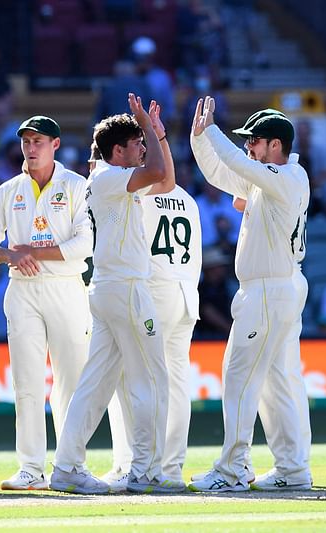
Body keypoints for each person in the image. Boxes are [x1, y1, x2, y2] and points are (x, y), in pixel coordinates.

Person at [49, 94, 186, 495]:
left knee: (95, 384)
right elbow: (157, 168)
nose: (143, 149)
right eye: (137, 143)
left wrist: (155, 133)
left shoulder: (112, 181)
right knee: (152, 379)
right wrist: (147, 125)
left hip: (111, 289)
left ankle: (67, 467)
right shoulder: (110, 177)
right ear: (117, 150)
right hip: (126, 289)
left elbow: (167, 181)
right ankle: (146, 472)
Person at [188, 102, 312, 492]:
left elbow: (238, 166)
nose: (248, 147)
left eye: (254, 140)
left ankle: (233, 469)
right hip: (275, 289)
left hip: (268, 291)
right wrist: (197, 136)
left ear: (276, 145)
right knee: (279, 383)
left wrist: (213, 132)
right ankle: (292, 470)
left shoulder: (286, 176)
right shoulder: (268, 179)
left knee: (240, 377)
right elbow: (219, 172)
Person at [0, 115, 93, 490]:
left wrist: (32, 250)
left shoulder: (77, 186)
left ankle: (71, 465)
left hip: (66, 288)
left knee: (71, 381)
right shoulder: (8, 190)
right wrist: (8, 255)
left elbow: (84, 246)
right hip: (22, 291)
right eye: (26, 141)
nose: (30, 147)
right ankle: (30, 468)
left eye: (38, 140)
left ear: (55, 144)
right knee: (26, 382)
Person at [104, 119, 203, 490]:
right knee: (176, 384)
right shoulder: (189, 200)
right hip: (186, 294)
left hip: (152, 292)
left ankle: (132, 464)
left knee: (133, 380)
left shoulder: (138, 192)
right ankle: (171, 467)